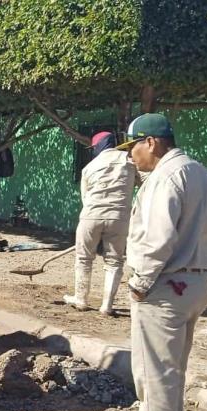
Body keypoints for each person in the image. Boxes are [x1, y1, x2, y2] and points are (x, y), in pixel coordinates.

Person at [111, 113, 207, 411]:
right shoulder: (202, 174)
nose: (131, 157)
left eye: (133, 147)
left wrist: (139, 284)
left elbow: (157, 239)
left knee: (154, 372)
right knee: (172, 370)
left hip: (165, 285)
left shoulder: (163, 179)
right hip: (197, 281)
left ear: (151, 143)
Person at [63, 131, 138, 315]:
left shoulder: (89, 167)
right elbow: (141, 183)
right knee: (114, 261)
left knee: (83, 258)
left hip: (91, 215)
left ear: (98, 147)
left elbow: (85, 197)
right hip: (119, 218)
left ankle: (80, 299)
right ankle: (107, 306)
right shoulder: (130, 162)